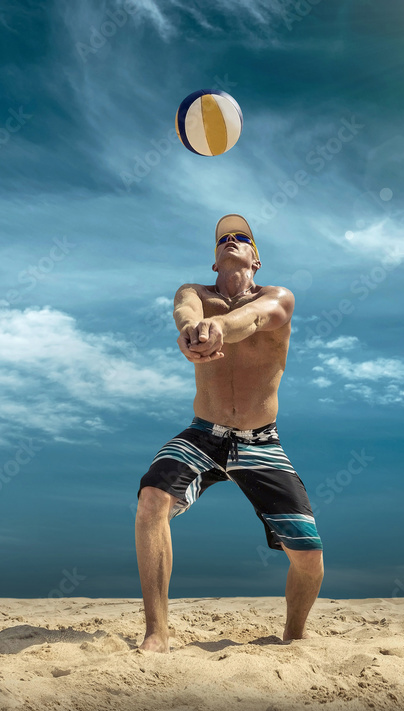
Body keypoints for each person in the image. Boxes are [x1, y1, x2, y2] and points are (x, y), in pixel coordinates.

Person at [134, 213, 324, 653]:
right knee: (151, 501)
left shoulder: (279, 297)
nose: (232, 242)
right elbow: (186, 311)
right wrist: (190, 331)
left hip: (261, 441)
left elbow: (255, 319)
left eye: (241, 238)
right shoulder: (194, 292)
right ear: (215, 262)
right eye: (223, 239)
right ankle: (156, 634)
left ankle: (294, 635)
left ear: (255, 259)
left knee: (309, 559)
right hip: (204, 434)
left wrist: (218, 330)